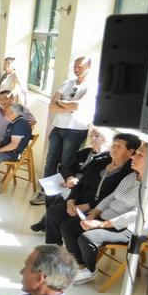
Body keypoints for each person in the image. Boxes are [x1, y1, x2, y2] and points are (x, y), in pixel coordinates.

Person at [64, 142, 148, 285]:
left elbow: (136, 215)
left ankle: (90, 270)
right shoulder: (134, 176)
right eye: (136, 153)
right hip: (110, 219)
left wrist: (101, 224)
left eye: (140, 155)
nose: (133, 156)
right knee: (68, 226)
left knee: (87, 238)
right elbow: (112, 196)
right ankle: (80, 264)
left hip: (130, 230)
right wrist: (95, 212)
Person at [33, 131, 139, 244]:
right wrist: (71, 201)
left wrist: (88, 206)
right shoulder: (100, 162)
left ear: (130, 151)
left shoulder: (129, 174)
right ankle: (53, 247)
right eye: (114, 144)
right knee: (53, 213)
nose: (114, 148)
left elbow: (111, 196)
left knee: (69, 224)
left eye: (119, 146)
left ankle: (74, 255)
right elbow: (81, 183)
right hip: (79, 201)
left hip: (99, 208)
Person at [34, 57, 97, 205]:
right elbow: (52, 107)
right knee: (50, 162)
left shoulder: (92, 86)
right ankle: (46, 192)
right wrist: (67, 105)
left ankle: (59, 196)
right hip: (58, 128)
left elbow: (77, 106)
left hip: (76, 129)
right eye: (75, 67)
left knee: (66, 164)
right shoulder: (67, 83)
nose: (76, 69)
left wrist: (62, 103)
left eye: (80, 67)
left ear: (89, 67)